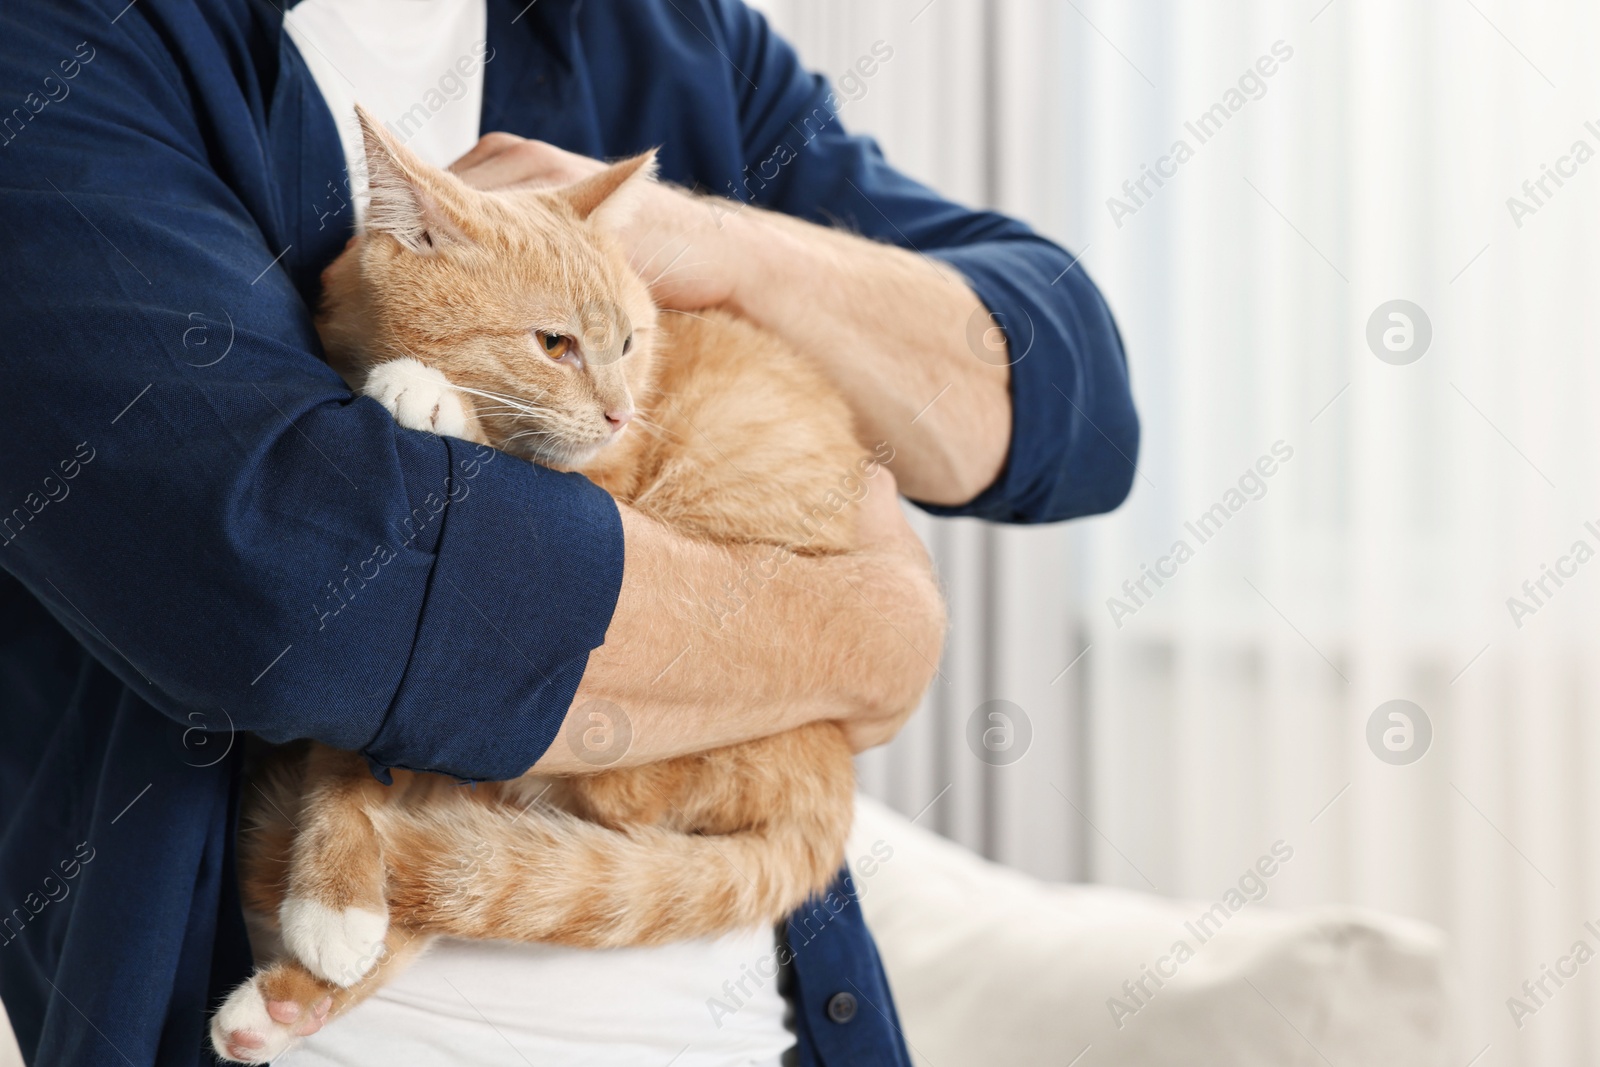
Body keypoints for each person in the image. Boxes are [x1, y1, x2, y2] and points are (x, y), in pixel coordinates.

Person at [0, 1, 1138, 1064]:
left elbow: (1068, 400)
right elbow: (309, 594)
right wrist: (863, 634)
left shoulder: (659, 29)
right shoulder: (61, 44)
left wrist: (726, 246)